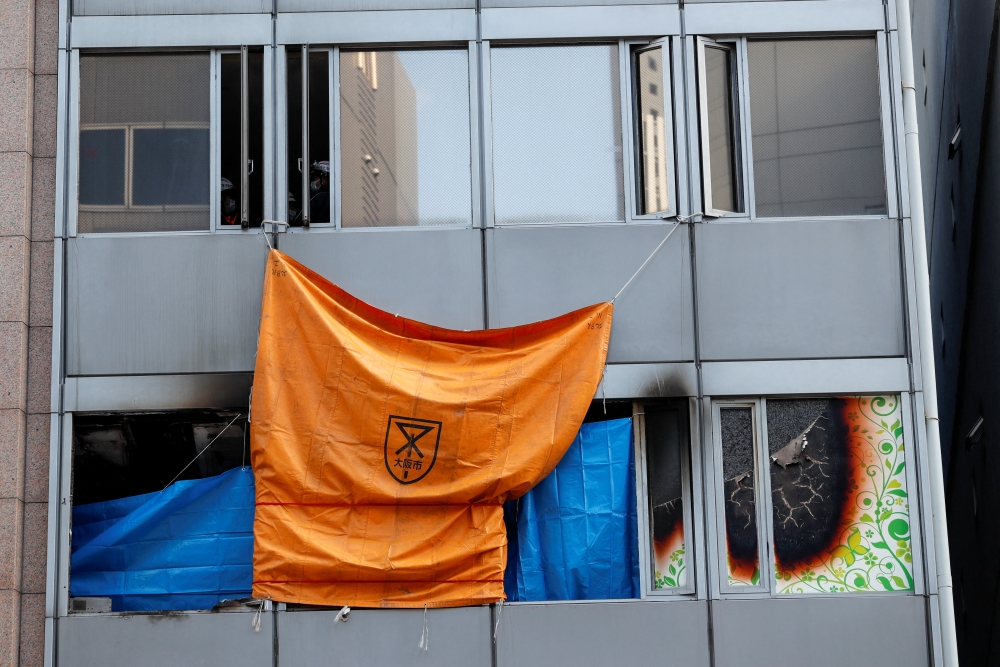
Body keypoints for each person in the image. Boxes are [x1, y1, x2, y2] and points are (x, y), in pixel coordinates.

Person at [291, 161, 331, 225]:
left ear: (324, 179)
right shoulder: (335, 195)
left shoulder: (316, 196)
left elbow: (299, 221)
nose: (312, 182)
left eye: (314, 178)